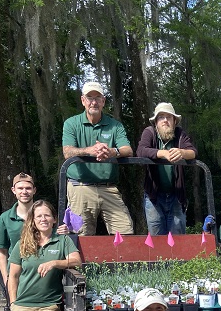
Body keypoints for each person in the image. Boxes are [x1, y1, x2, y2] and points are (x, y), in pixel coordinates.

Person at [61, 81, 134, 236]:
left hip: (108, 187)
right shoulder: (71, 123)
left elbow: (127, 150)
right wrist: (90, 151)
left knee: (125, 231)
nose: (93, 102)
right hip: (80, 187)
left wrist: (112, 151)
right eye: (89, 98)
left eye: (97, 98)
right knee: (79, 237)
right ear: (83, 100)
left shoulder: (115, 125)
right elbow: (67, 152)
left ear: (103, 101)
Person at [0, 172, 68, 295]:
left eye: (28, 188)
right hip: (17, 276)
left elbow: (58, 241)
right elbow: (2, 251)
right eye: (20, 188)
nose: (24, 192)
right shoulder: (5, 218)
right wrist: (6, 278)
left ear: (34, 190)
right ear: (13, 190)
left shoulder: (47, 216)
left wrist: (64, 231)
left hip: (46, 278)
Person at [136, 103, 198, 235]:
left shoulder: (180, 134)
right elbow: (141, 151)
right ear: (156, 122)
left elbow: (192, 152)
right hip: (154, 196)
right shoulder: (149, 132)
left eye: (168, 117)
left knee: (177, 238)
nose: (165, 120)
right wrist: (162, 153)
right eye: (161, 117)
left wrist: (182, 152)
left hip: (176, 195)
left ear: (174, 121)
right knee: (156, 238)